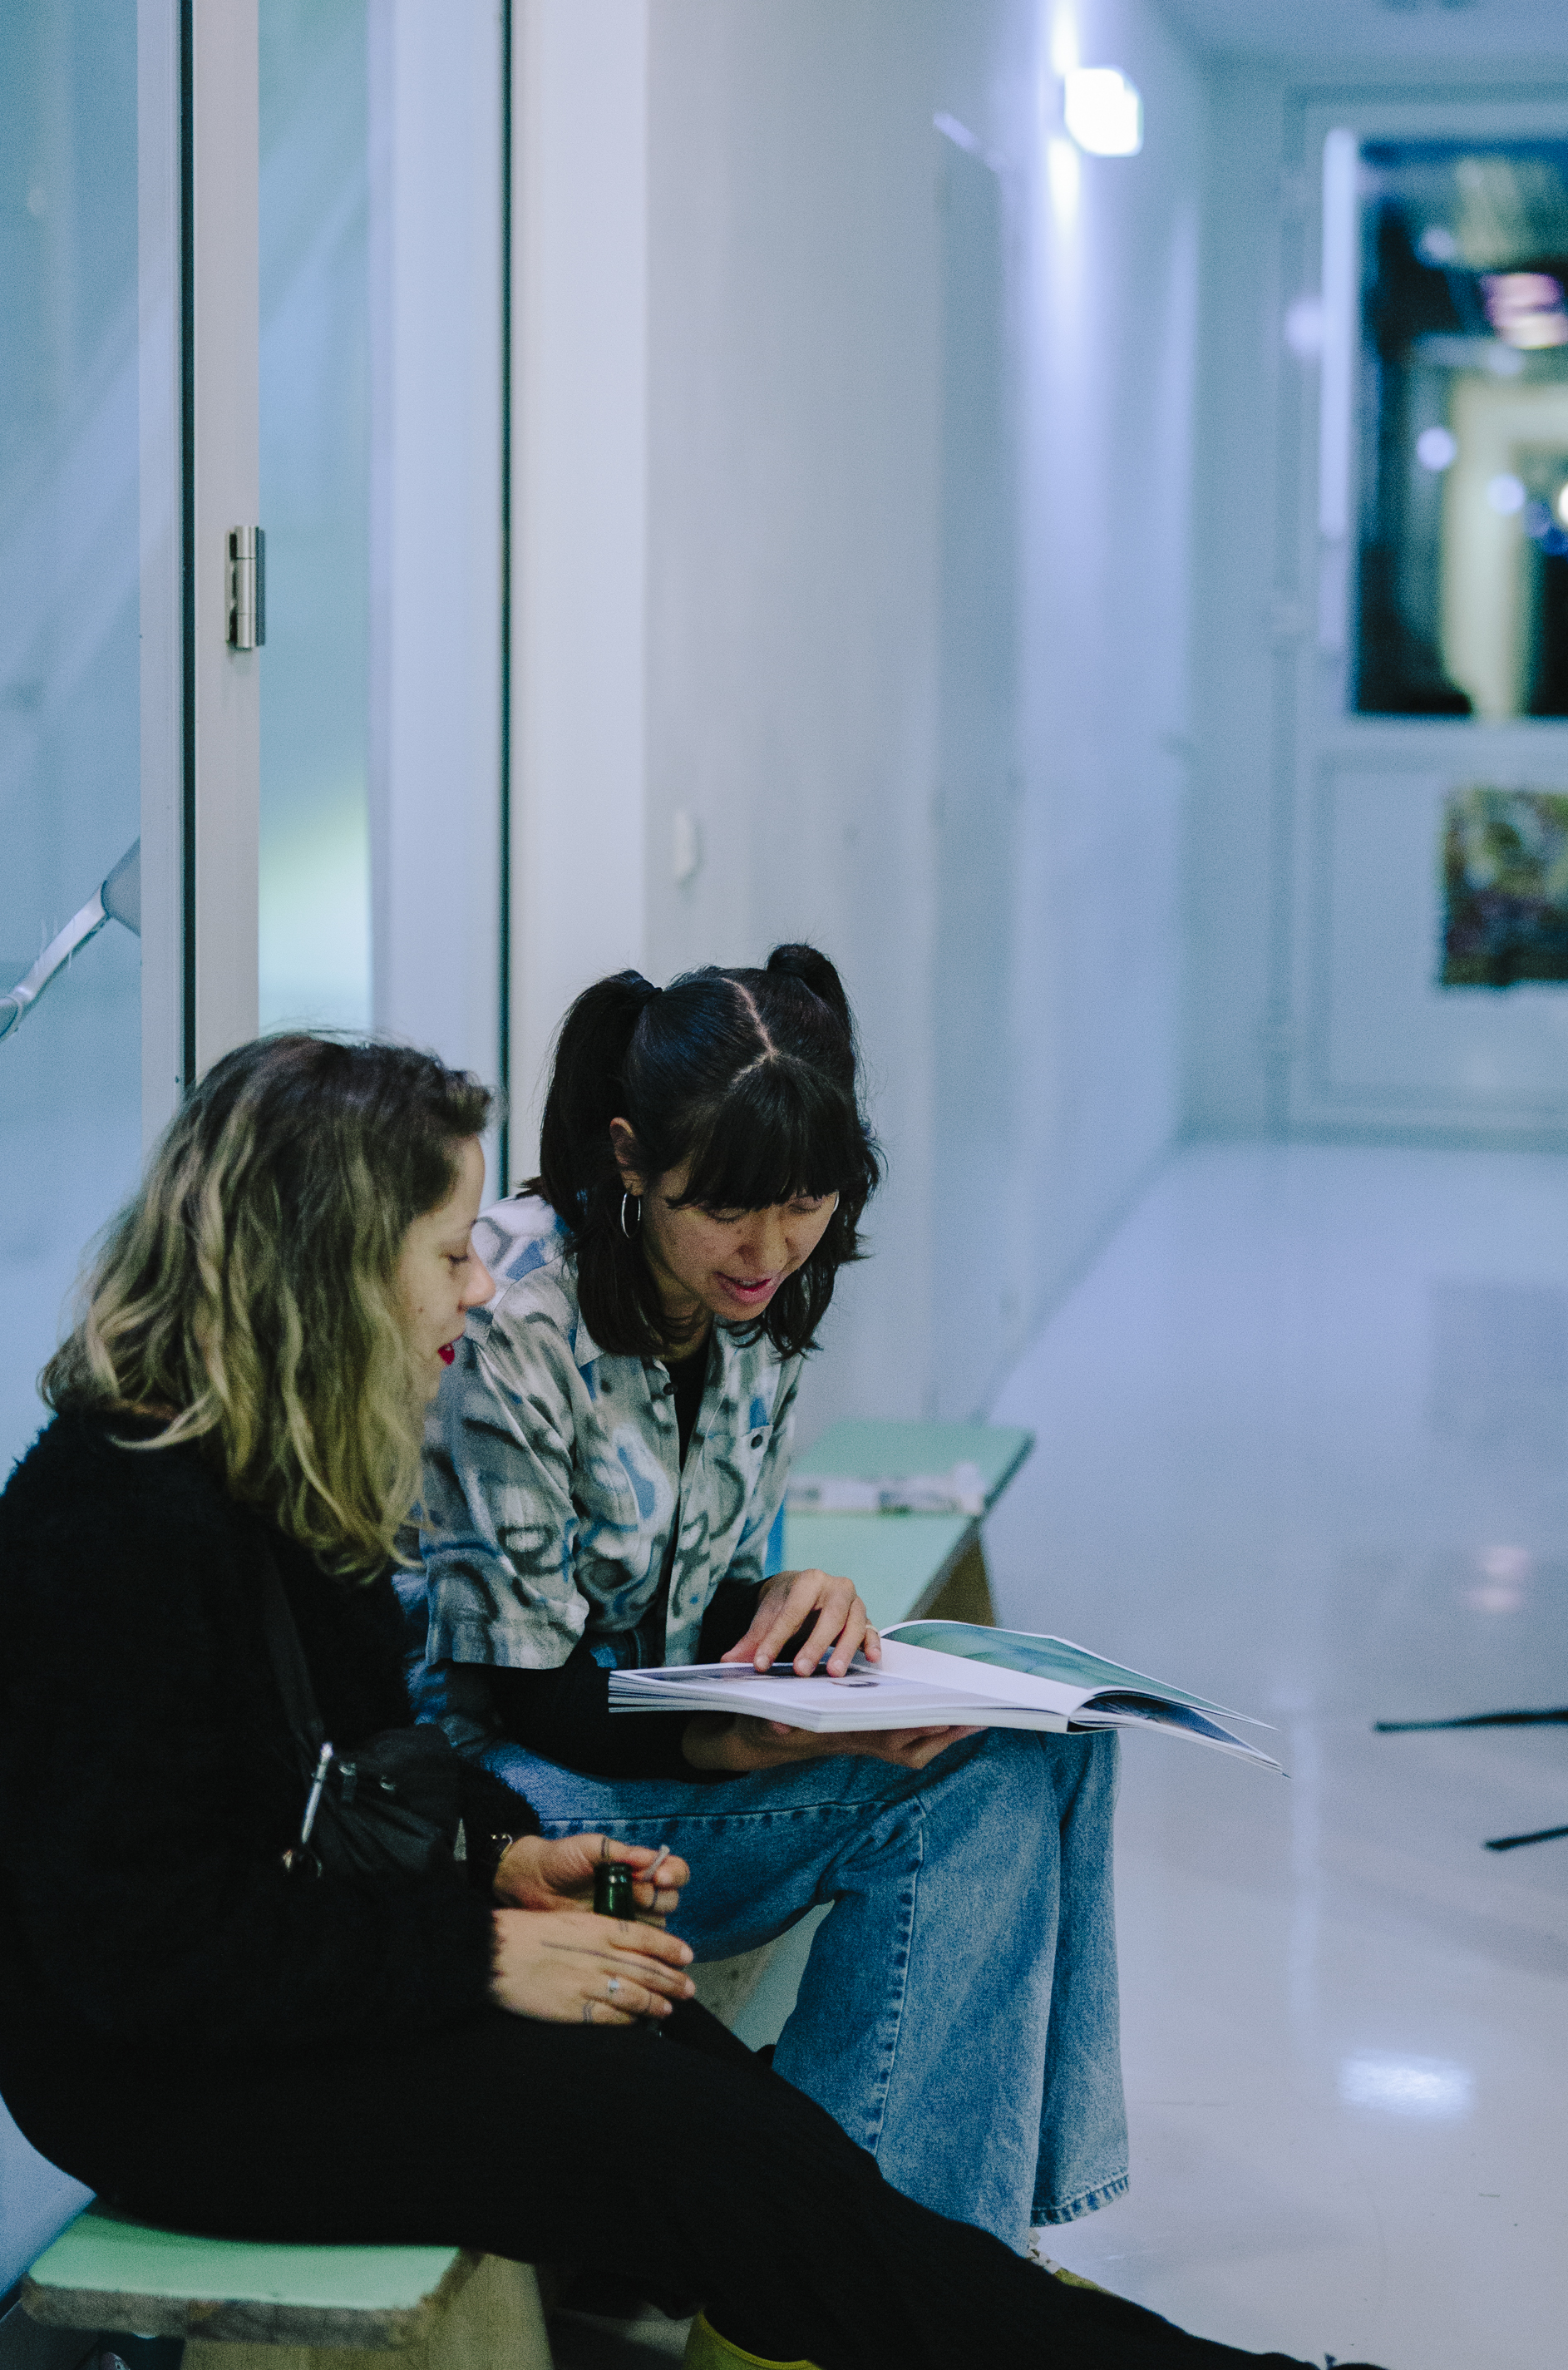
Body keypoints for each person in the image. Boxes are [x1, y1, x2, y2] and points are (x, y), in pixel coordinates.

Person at [0, 1032, 1386, 2370]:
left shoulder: (276, 1467)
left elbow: (358, 1779)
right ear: (330, 1268)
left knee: (755, 2133)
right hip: (160, 2083)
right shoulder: (115, 1530)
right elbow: (139, 1955)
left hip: (294, 1990)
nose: (478, 1286)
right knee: (710, 2155)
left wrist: (507, 1860)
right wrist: (475, 1954)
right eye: (449, 1253)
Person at [410, 947, 1120, 2255]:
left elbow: (685, 1584)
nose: (771, 1249)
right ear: (631, 1159)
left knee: (1050, 1742)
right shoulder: (517, 1312)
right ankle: (882, 2267)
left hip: (638, 1748)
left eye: (807, 1203)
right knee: (976, 1794)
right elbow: (527, 1694)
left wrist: (786, 1598)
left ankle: (936, 2258)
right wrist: (737, 1741)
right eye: (729, 1209)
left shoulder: (750, 1299)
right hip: (506, 1802)